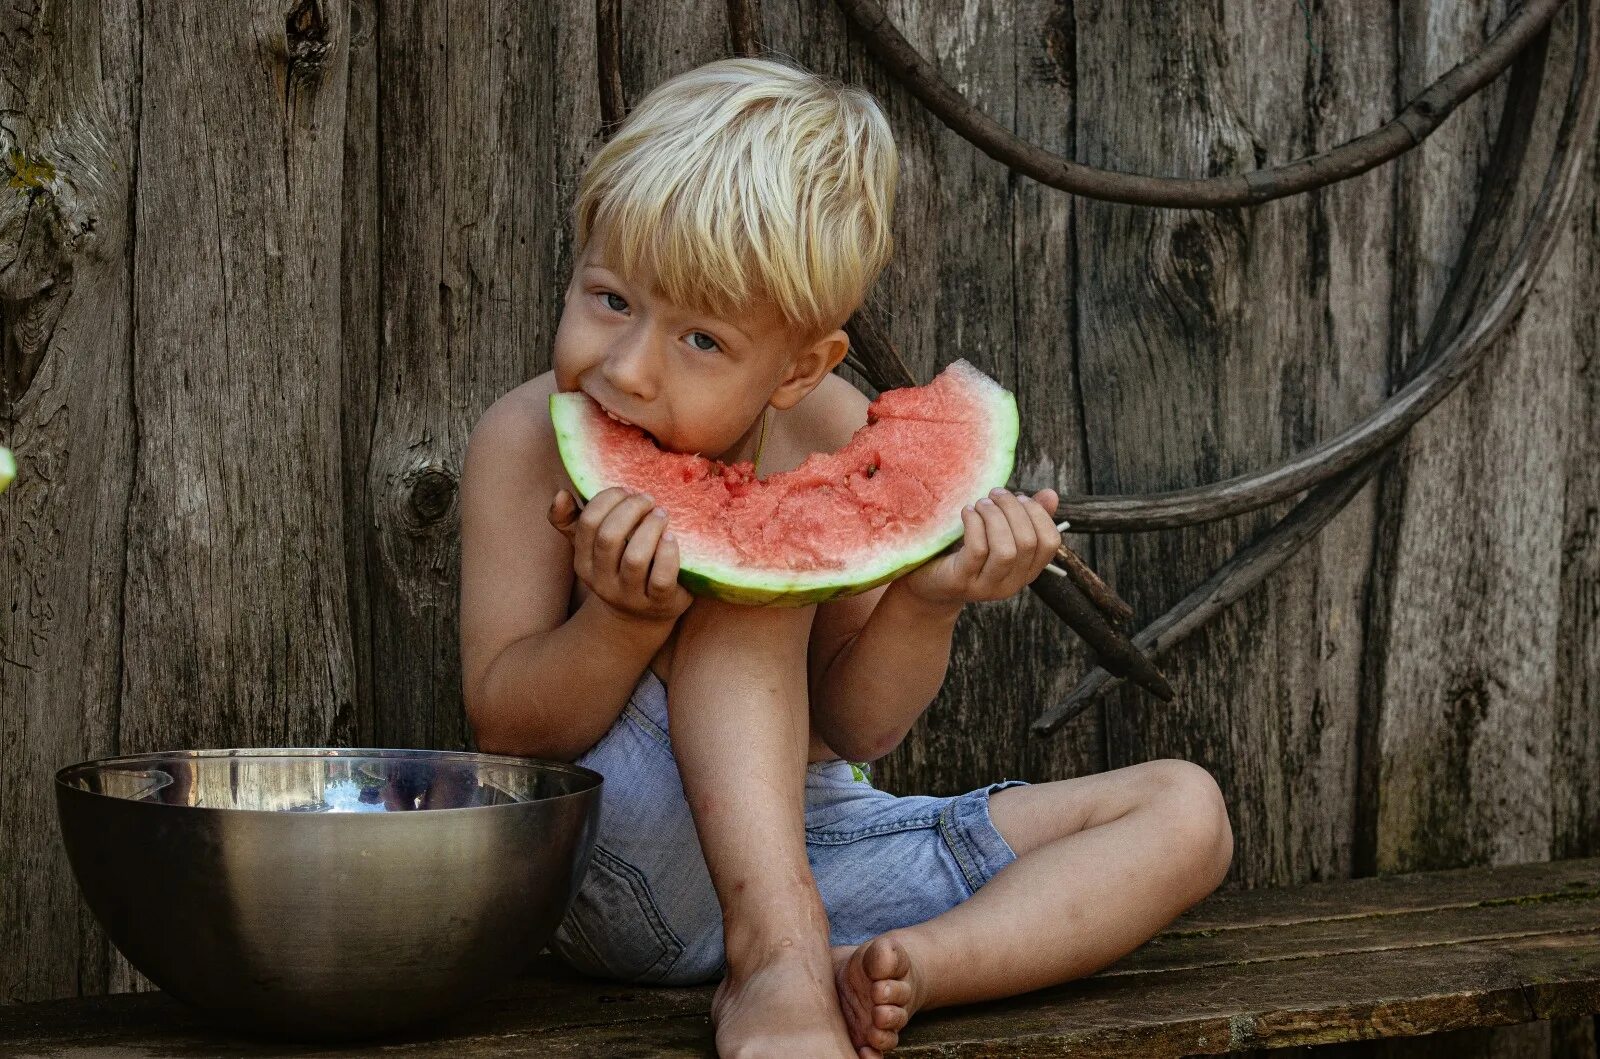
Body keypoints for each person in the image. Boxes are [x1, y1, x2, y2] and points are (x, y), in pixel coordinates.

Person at [458, 54, 1233, 1059]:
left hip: (822, 853)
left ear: (799, 367)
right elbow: (509, 731)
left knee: (1186, 813)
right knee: (752, 582)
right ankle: (774, 963)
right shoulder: (524, 439)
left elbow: (855, 722)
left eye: (700, 340)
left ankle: (907, 968)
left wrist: (928, 600)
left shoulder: (834, 430)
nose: (628, 366)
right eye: (609, 299)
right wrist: (622, 622)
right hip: (604, 864)